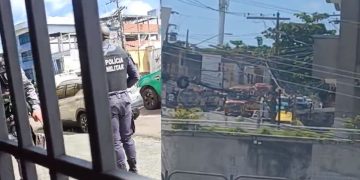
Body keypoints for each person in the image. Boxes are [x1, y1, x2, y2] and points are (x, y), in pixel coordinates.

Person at [101, 24, 140, 173]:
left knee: (116, 140)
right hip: (125, 99)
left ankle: (122, 171)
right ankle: (134, 168)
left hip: (109, 101)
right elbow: (135, 76)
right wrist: (123, 87)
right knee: (127, 137)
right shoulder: (122, 52)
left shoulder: (97, 55)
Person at [0, 57, 43, 179]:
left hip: (15, 121)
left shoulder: (7, 65)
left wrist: (35, 107)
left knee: (25, 160)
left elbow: (27, 86)